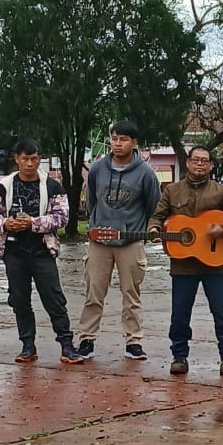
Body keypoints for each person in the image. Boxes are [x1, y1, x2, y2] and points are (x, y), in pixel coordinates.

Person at [147, 145, 223, 376]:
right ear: (188, 163)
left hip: (215, 264)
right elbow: (157, 216)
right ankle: (179, 356)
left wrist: (222, 229)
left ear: (210, 165)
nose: (200, 164)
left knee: (222, 312)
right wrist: (153, 228)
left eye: (205, 161)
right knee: (180, 314)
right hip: (182, 265)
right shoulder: (172, 191)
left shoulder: (221, 192)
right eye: (196, 160)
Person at [0, 139, 83, 364]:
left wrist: (33, 223)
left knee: (54, 298)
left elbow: (62, 217)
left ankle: (66, 345)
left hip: (42, 249)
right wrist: (6, 224)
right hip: (13, 250)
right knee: (19, 299)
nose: (29, 164)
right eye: (25, 159)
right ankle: (27, 345)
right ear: (17, 159)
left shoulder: (52, 186)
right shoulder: (5, 185)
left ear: (39, 158)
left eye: (34, 159)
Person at [78, 120, 161, 360]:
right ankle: (86, 339)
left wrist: (139, 231)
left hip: (130, 241)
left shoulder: (146, 173)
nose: (117, 144)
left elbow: (152, 205)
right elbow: (92, 201)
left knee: (131, 294)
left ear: (134, 143)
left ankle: (133, 342)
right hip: (99, 241)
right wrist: (96, 225)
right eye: (114, 138)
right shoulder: (97, 169)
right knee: (93, 292)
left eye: (123, 139)